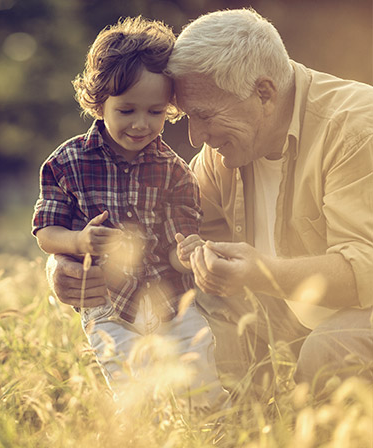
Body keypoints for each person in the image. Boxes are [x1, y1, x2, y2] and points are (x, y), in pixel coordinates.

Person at [47, 8, 373, 395]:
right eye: (186, 117)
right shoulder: (222, 156)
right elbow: (165, 240)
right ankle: (233, 423)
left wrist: (262, 273)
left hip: (359, 314)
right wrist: (63, 262)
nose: (196, 136)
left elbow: (366, 267)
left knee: (330, 351)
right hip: (293, 318)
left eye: (203, 115)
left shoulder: (355, 129)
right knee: (200, 304)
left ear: (263, 93)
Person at [31, 16, 227, 410]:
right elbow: (45, 231)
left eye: (155, 112)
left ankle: (212, 428)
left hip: (170, 301)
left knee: (202, 384)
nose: (141, 124)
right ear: (98, 103)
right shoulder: (67, 163)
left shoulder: (175, 172)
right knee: (135, 395)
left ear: (170, 108)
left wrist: (187, 251)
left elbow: (177, 244)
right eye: (127, 110)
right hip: (108, 306)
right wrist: (79, 241)